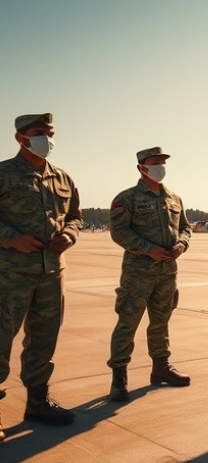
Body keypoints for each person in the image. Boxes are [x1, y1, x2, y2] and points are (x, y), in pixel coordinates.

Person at [0, 113, 82, 441]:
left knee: (45, 339)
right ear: (20, 138)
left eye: (49, 133)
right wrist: (10, 237)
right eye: (39, 133)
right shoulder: (4, 174)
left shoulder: (62, 178)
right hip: (9, 274)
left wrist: (70, 235)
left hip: (51, 274)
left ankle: (37, 401)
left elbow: (74, 216)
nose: (46, 138)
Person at [107, 147, 193, 401]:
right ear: (141, 168)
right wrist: (148, 250)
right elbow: (119, 232)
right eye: (154, 163)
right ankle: (119, 377)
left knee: (161, 321)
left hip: (167, 271)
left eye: (162, 163)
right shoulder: (127, 198)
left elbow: (185, 227)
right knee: (128, 323)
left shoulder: (173, 198)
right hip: (138, 273)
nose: (160, 167)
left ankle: (161, 368)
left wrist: (181, 244)